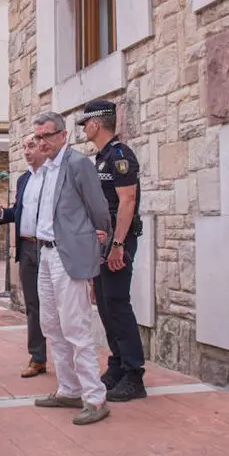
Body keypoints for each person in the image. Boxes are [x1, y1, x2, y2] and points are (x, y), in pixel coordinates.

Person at [28, 112, 113, 425]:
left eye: (47, 135)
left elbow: (99, 210)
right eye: (38, 137)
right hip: (46, 254)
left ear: (64, 135)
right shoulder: (45, 169)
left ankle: (94, 397)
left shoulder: (78, 164)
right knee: (51, 325)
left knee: (76, 326)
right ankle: (68, 389)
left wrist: (99, 241)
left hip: (69, 255)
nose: (42, 142)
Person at [77, 99, 148, 402]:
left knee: (118, 303)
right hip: (104, 244)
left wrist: (118, 246)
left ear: (95, 123)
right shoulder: (102, 158)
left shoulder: (120, 155)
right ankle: (118, 363)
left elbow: (127, 201)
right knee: (106, 305)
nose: (83, 129)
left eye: (85, 124)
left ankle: (135, 374)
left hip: (118, 242)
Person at [0, 136, 48, 378]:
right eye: (23, 146)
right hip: (27, 248)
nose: (26, 151)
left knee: (57, 306)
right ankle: (38, 358)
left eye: (31, 146)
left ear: (45, 147)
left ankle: (71, 361)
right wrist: (1, 212)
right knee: (33, 305)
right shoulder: (24, 179)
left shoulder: (53, 177)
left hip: (49, 247)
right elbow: (19, 212)